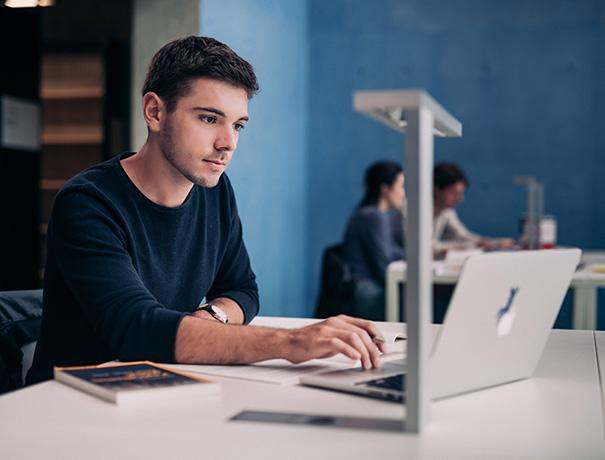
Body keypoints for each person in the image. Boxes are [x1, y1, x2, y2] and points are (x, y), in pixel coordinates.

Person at [26, 36, 386, 384]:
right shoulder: (88, 203)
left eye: (238, 125)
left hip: (158, 389)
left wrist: (207, 317)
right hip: (72, 404)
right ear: (155, 112)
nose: (227, 143)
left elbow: (243, 289)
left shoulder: (213, 190)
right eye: (209, 119)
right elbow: (136, 330)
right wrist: (291, 343)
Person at [342, 161, 406, 321]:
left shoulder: (371, 215)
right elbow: (383, 266)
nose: (403, 193)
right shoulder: (373, 217)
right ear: (385, 188)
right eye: (401, 186)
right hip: (368, 293)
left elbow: (392, 252)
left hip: (366, 289)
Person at [433, 162, 514, 257]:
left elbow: (462, 236)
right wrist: (465, 246)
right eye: (453, 193)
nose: (459, 199)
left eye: (460, 194)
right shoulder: (415, 211)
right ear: (436, 190)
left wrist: (492, 243)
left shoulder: (446, 211)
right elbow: (426, 247)